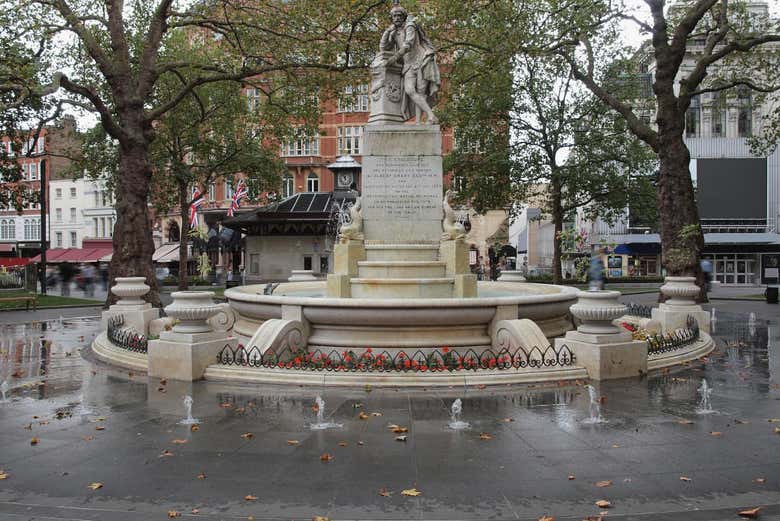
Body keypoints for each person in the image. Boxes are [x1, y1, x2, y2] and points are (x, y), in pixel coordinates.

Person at [380, 3, 441, 124]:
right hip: (408, 65)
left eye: (399, 15)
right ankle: (431, 115)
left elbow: (408, 45)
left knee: (421, 92)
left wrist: (394, 58)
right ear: (391, 18)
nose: (397, 18)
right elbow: (383, 47)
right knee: (409, 90)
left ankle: (419, 122)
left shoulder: (410, 26)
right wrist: (387, 31)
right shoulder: (394, 32)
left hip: (421, 61)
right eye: (394, 16)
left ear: (403, 16)